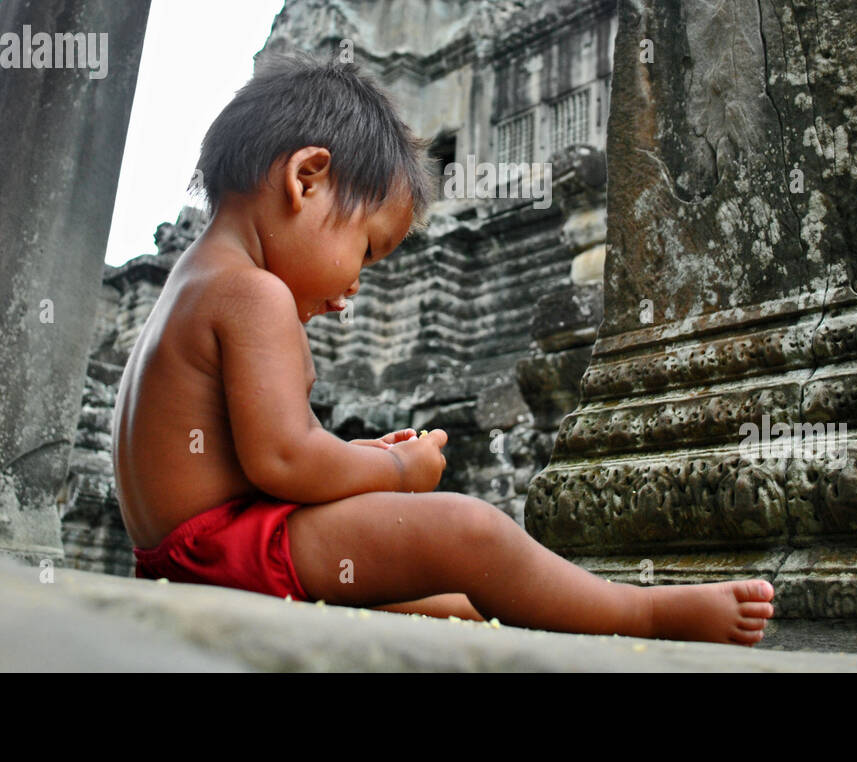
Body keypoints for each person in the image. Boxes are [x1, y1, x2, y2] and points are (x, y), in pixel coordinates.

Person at [112, 55, 774, 644]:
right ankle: (642, 616)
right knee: (468, 533)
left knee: (453, 602)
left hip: (189, 554)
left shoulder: (195, 281)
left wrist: (369, 455)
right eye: (367, 250)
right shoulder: (255, 295)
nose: (353, 286)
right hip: (229, 551)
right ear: (306, 179)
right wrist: (399, 473)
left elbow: (262, 452)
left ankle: (560, 608)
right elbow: (286, 458)